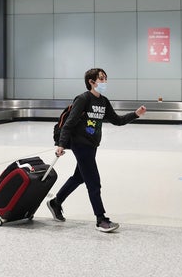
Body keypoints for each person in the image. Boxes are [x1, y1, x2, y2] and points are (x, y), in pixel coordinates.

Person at [47, 67, 146, 232]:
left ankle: (56, 202)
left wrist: (135, 114)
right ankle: (101, 219)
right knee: (94, 182)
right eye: (101, 79)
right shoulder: (83, 99)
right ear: (91, 82)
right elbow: (69, 123)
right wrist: (61, 144)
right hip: (80, 144)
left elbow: (117, 120)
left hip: (92, 145)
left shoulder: (103, 101)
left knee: (79, 177)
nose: (104, 81)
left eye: (105, 78)